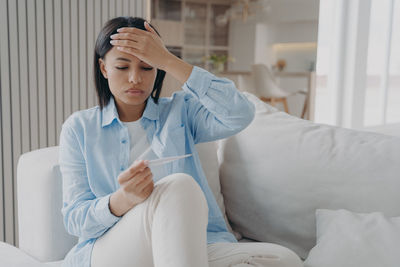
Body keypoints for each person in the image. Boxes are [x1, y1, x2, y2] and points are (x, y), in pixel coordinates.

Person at [59, 16, 303, 267]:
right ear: (103, 68)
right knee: (178, 186)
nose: (135, 78)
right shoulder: (79, 128)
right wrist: (122, 200)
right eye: (122, 67)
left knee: (285, 260)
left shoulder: (181, 111)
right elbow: (74, 219)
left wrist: (167, 60)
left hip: (191, 243)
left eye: (147, 67)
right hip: (115, 247)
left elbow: (239, 113)